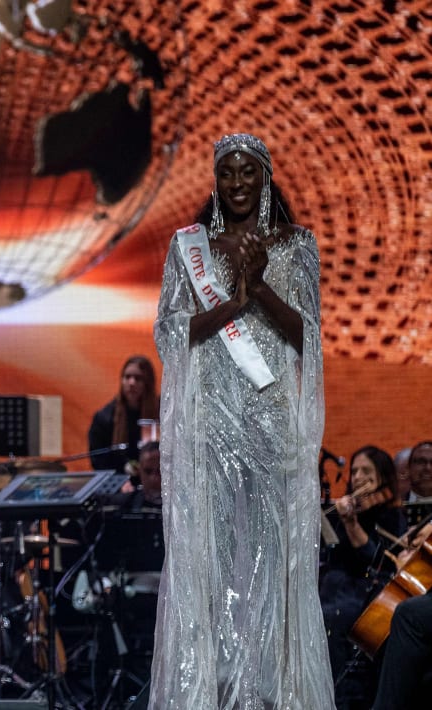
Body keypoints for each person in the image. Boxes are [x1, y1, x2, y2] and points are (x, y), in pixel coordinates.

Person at [150, 133, 334, 708]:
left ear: (265, 177)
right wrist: (232, 302)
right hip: (211, 428)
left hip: (271, 427)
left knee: (272, 564)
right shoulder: (189, 248)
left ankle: (274, 692)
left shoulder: (297, 246)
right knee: (212, 562)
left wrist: (258, 290)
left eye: (247, 172)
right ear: (215, 178)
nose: (236, 183)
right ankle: (214, 691)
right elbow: (168, 333)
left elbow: (308, 336)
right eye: (226, 172)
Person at [318, 446, 406, 708]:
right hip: (334, 588)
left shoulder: (391, 516)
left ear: (382, 476)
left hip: (366, 592)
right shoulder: (342, 511)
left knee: (338, 614)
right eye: (354, 471)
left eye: (366, 471)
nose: (357, 477)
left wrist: (351, 524)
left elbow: (376, 561)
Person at [87, 355, 158, 475]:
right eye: (127, 377)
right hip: (119, 482)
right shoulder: (104, 418)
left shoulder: (162, 412)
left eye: (138, 378)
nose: (131, 382)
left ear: (148, 383)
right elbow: (99, 461)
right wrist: (123, 472)